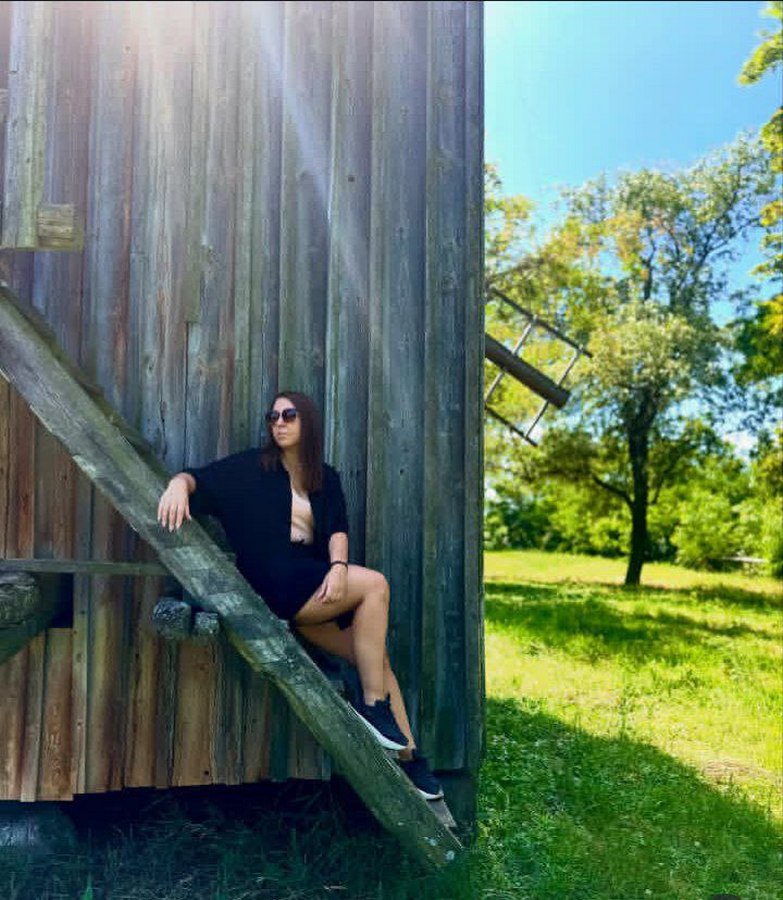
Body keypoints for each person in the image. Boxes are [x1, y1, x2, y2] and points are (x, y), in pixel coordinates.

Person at [156, 390, 443, 800]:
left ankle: (409, 760)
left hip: (312, 586)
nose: (279, 422)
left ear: (307, 421)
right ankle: (374, 707)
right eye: (273, 416)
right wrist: (176, 486)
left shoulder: (325, 477)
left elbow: (338, 529)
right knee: (376, 584)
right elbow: (196, 478)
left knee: (376, 660)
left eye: (288, 415)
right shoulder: (250, 469)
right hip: (274, 582)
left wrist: (339, 567)